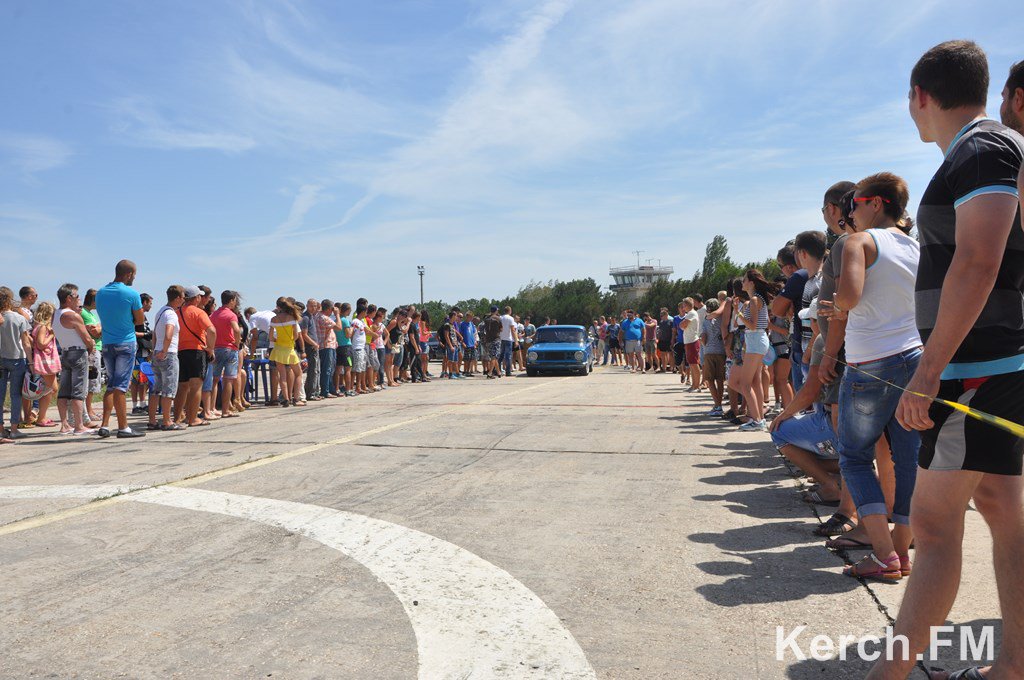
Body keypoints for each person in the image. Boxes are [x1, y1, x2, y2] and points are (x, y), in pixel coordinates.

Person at [871, 42, 1024, 680]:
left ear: (920, 96)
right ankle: (1013, 665)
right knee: (1001, 511)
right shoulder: (988, 149)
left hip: (973, 369)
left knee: (932, 529)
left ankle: (892, 673)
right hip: (995, 363)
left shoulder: (981, 149)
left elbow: (979, 260)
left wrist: (928, 372)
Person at [832, 171, 922, 584]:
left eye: (855, 204)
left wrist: (832, 306)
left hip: (871, 361)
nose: (851, 212)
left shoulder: (860, 242)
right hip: (914, 356)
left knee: (854, 455)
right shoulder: (915, 247)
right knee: (909, 460)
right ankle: (901, 552)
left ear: (876, 203)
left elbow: (849, 297)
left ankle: (884, 557)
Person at [94, 260, 147, 438]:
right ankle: (124, 427)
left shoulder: (100, 293)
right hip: (125, 342)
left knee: (111, 384)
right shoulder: (131, 293)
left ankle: (105, 425)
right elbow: (140, 320)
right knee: (121, 386)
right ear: (129, 274)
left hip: (107, 342)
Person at [735, 270, 777, 431]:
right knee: (754, 382)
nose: (742, 283)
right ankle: (758, 418)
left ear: (752, 282)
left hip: (755, 340)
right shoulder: (759, 299)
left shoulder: (754, 300)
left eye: (745, 280)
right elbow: (764, 322)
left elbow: (752, 324)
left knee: (745, 384)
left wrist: (739, 313)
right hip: (757, 340)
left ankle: (757, 420)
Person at [53, 284, 95, 435]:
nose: (79, 299)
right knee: (78, 391)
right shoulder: (72, 315)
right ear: (69, 298)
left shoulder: (56, 314)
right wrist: (91, 348)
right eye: (77, 297)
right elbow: (88, 338)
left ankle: (64, 425)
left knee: (64, 391)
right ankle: (79, 425)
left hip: (64, 352)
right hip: (77, 352)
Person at [174, 286, 216, 427]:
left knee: (182, 386)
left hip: (180, 351)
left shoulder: (177, 312)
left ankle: (177, 417)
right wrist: (210, 348)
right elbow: (212, 330)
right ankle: (192, 418)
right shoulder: (199, 312)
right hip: (196, 350)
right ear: (196, 298)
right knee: (196, 386)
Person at [146, 285, 184, 431]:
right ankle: (167, 421)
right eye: (182, 297)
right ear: (178, 298)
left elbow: (155, 333)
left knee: (156, 388)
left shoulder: (160, 311)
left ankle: (152, 420)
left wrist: (156, 349)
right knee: (169, 389)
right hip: (169, 353)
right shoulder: (172, 314)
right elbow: (169, 333)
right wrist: (165, 350)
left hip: (157, 352)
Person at [772, 244, 809, 393]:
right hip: (816, 340)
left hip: (802, 340)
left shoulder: (798, 276)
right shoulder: (817, 273)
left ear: (788, 267)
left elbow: (777, 310)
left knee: (802, 390)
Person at [0, 287, 31, 441]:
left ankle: (0, 429)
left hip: (0, 359)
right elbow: (26, 343)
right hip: (17, 358)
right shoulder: (19, 318)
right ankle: (14, 428)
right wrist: (31, 362)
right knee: (16, 395)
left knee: (0, 395)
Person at [29, 302, 61, 427]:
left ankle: (42, 415)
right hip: (45, 361)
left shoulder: (38, 327)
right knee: (51, 389)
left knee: (48, 389)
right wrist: (52, 335)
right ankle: (41, 417)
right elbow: (41, 344)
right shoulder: (43, 327)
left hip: (45, 360)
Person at [210, 290, 242, 417]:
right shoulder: (231, 315)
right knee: (228, 380)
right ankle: (225, 410)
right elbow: (236, 329)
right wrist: (237, 343)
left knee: (215, 380)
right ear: (231, 300)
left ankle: (211, 407)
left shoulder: (213, 314)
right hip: (229, 348)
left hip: (216, 348)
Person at [269, 297, 303, 406]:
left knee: (282, 376)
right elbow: (296, 335)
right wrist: (290, 340)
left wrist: (277, 340)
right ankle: (296, 399)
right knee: (298, 373)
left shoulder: (274, 319)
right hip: (289, 349)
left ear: (278, 307)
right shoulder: (292, 317)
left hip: (278, 349)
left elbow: (270, 337)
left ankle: (286, 399)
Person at [80, 288, 104, 423]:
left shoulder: (91, 313)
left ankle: (90, 409)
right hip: (92, 350)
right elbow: (95, 332)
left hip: (98, 349)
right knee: (91, 382)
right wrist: (101, 327)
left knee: (94, 383)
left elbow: (98, 329)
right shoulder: (84, 313)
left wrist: (100, 327)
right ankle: (88, 411)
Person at [700, 300, 726, 415]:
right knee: (720, 379)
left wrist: (702, 342)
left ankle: (717, 405)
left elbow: (704, 338)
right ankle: (719, 404)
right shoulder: (722, 318)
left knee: (710, 380)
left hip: (709, 351)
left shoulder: (706, 320)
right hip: (721, 351)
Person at [130, 293, 153, 415]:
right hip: (137, 352)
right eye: (150, 303)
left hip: (145, 352)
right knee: (135, 379)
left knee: (143, 379)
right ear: (144, 303)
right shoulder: (135, 315)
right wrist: (146, 335)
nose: (151, 306)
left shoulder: (144, 316)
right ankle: (135, 406)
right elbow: (131, 332)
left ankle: (143, 404)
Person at [301, 299, 322, 401]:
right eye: (311, 306)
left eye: (315, 306)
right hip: (310, 347)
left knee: (315, 370)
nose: (313, 308)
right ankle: (310, 393)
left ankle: (313, 391)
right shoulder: (305, 318)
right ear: (307, 306)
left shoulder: (311, 317)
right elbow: (304, 334)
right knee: (312, 370)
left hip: (313, 346)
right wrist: (314, 343)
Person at [679, 299, 702, 390]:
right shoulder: (690, 313)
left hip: (692, 341)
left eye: (684, 306)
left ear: (688, 305)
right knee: (692, 363)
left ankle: (696, 385)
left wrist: (681, 324)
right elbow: (682, 325)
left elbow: (682, 325)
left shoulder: (691, 313)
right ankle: (694, 384)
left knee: (694, 363)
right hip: (689, 341)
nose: (683, 308)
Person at [484, 306, 502, 378]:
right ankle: (490, 373)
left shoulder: (486, 319)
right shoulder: (498, 319)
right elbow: (501, 329)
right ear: (496, 311)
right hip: (496, 339)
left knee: (493, 357)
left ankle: (498, 372)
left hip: (488, 340)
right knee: (494, 357)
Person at [499, 306, 517, 377]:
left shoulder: (500, 318)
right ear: (510, 311)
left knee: (500, 355)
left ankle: (498, 370)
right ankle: (508, 371)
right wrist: (516, 340)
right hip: (508, 339)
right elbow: (513, 330)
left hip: (501, 338)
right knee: (508, 356)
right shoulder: (510, 318)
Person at [461, 311, 478, 377]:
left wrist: (475, 341)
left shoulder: (471, 324)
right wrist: (462, 342)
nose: (471, 318)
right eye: (470, 317)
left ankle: (469, 371)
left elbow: (474, 333)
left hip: (472, 344)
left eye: (472, 317)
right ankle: (465, 371)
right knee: (466, 359)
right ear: (467, 317)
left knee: (471, 358)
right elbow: (461, 334)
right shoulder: (463, 324)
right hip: (466, 343)